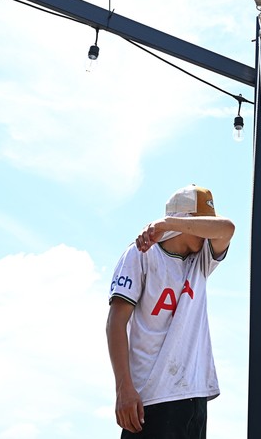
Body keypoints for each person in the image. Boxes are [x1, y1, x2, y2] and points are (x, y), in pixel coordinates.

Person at [106, 185, 235, 438]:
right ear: (185, 222)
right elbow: (116, 323)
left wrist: (164, 224)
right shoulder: (141, 254)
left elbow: (227, 229)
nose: (204, 232)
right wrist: (123, 388)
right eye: (200, 224)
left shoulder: (201, 261)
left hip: (194, 397)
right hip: (150, 399)